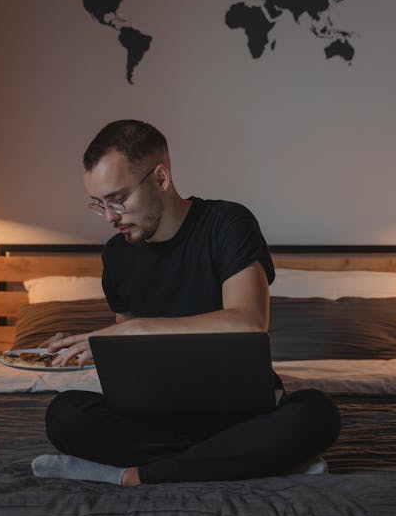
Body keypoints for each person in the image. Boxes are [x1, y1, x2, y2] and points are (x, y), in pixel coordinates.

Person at [32, 120, 340, 486]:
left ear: (160, 178)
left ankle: (136, 474)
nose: (110, 217)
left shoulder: (228, 222)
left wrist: (134, 329)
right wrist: (93, 346)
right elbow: (126, 357)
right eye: (99, 204)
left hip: (239, 412)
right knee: (64, 415)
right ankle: (246, 460)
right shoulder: (116, 254)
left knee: (317, 413)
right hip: (157, 416)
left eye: (117, 200)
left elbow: (248, 322)